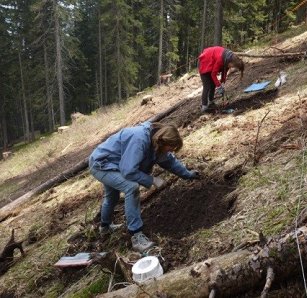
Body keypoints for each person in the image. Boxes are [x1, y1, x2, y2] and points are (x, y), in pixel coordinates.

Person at [89, 121, 200, 252]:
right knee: (131, 187)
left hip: (114, 163)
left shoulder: (156, 143)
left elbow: (170, 161)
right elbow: (129, 171)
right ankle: (136, 236)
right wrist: (152, 179)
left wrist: (188, 174)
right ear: (162, 141)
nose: (170, 151)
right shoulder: (140, 139)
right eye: (170, 148)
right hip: (101, 164)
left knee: (112, 196)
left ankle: (105, 228)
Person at [198, 46, 244, 112]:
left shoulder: (228, 59)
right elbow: (213, 74)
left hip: (211, 64)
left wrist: (222, 82)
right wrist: (219, 86)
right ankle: (204, 106)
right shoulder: (221, 59)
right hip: (204, 63)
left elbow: (224, 71)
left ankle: (211, 102)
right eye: (232, 66)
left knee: (213, 84)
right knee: (207, 86)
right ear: (231, 62)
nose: (231, 67)